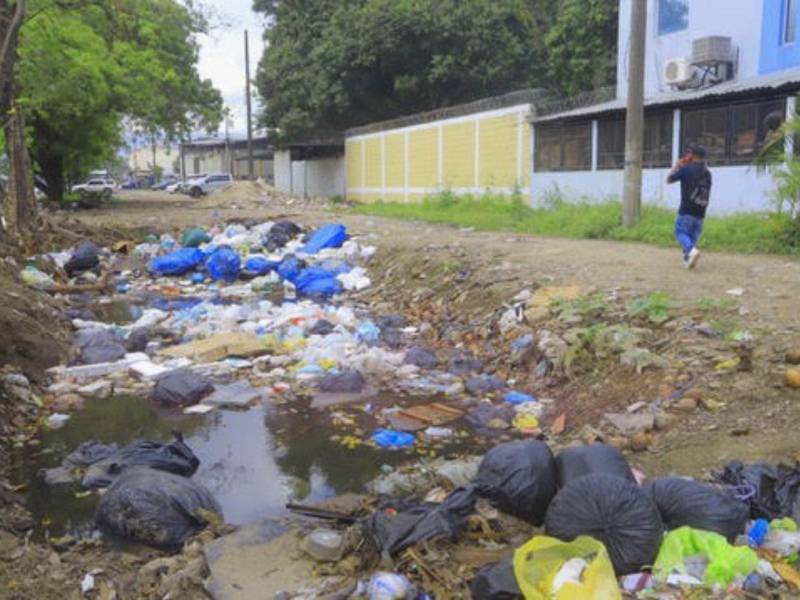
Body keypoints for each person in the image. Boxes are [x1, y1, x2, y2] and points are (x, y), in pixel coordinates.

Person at [667, 144, 712, 269]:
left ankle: (691, 251)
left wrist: (677, 166)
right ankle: (688, 259)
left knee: (680, 232)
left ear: (692, 155)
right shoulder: (708, 173)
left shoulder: (686, 169)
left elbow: (669, 180)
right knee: (692, 236)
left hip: (687, 209)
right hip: (701, 211)